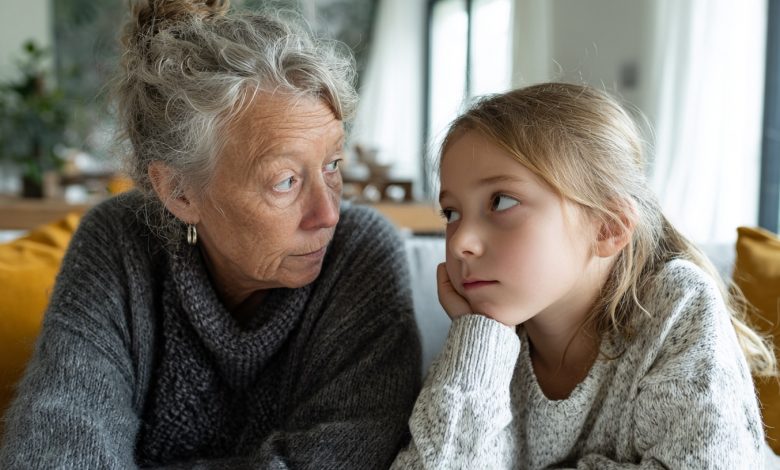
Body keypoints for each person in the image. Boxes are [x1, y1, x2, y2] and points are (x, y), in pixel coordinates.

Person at [0, 1, 421, 467]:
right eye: (285, 181)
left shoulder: (360, 255)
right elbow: (58, 450)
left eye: (332, 166)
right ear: (180, 192)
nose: (328, 214)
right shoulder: (118, 241)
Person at [392, 83, 777, 469]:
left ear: (606, 228)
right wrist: (478, 339)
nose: (460, 243)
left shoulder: (677, 305)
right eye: (451, 213)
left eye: (501, 201)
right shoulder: (482, 344)